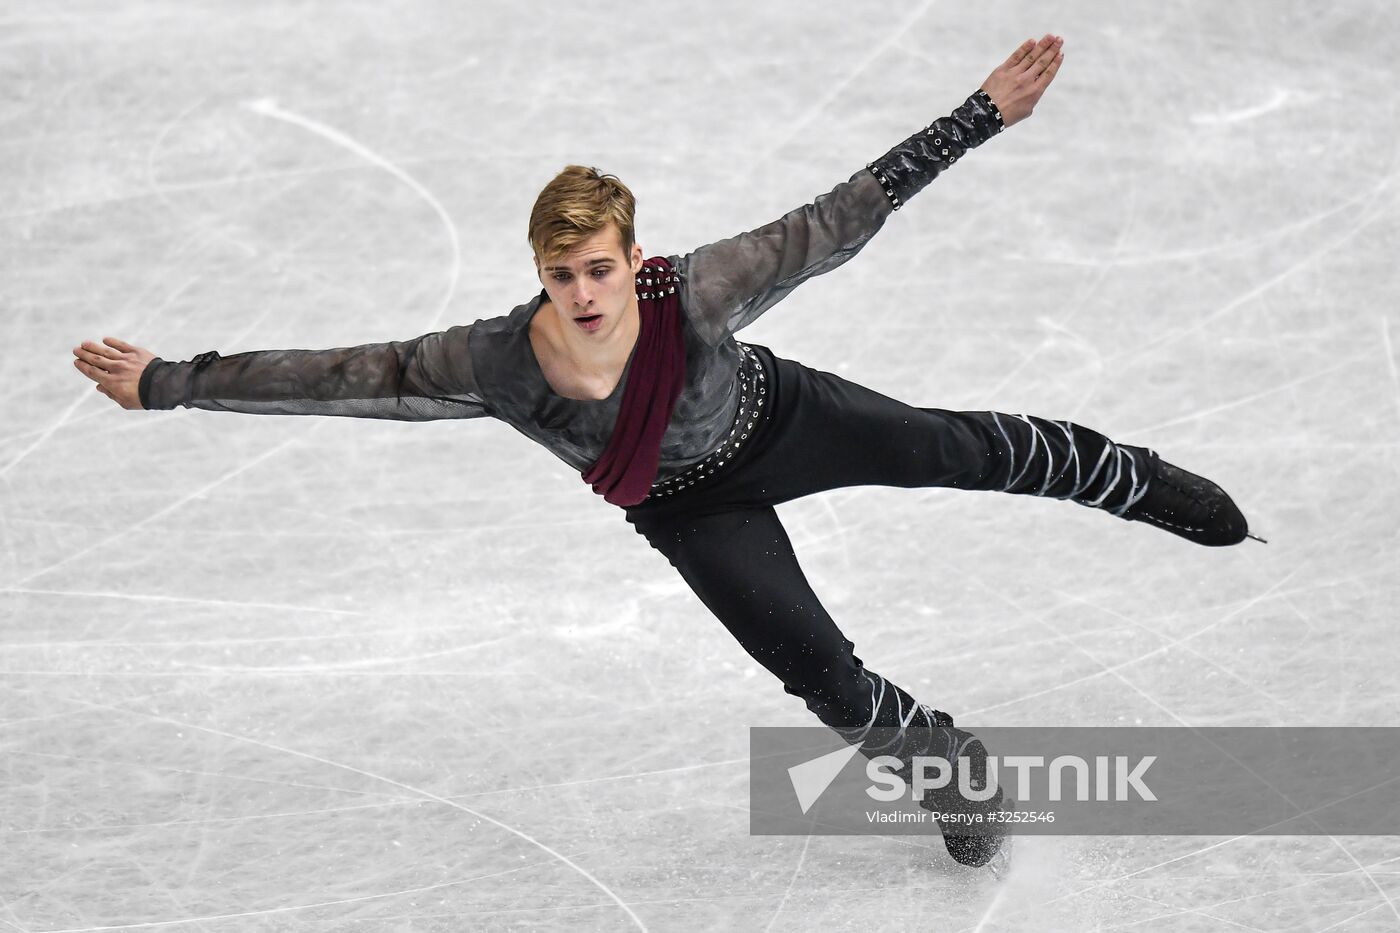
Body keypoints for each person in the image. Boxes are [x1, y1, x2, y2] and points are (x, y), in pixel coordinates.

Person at [72, 34, 1258, 869]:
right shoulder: (492, 363)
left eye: (599, 269)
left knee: (962, 448)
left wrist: (978, 115)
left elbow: (839, 217)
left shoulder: (696, 292)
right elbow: (345, 377)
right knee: (823, 680)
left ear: (628, 256)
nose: (584, 293)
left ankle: (1131, 478)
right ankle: (947, 769)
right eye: (560, 274)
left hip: (785, 420)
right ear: (537, 272)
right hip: (694, 510)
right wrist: (174, 383)